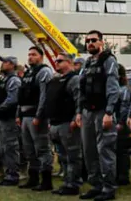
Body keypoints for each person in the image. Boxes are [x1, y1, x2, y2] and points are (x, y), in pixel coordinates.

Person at [76, 30, 120, 201]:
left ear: (102, 42)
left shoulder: (108, 60)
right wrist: (79, 111)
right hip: (87, 112)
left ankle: (109, 188)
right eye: (87, 41)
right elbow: (81, 89)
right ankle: (97, 185)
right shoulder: (87, 63)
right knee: (89, 151)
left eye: (93, 40)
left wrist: (109, 112)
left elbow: (112, 87)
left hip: (102, 111)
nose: (90, 43)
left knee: (105, 150)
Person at [19, 46, 54, 191]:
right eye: (29, 54)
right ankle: (33, 178)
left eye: (33, 54)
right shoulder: (29, 72)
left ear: (41, 56)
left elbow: (44, 96)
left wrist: (39, 115)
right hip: (25, 116)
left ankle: (46, 181)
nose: (30, 57)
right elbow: (22, 95)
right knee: (28, 149)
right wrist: (18, 114)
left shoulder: (44, 71)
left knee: (42, 148)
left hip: (36, 116)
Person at [48, 54, 83, 195]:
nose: (56, 63)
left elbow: (79, 99)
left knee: (73, 156)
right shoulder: (57, 80)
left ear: (69, 62)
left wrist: (76, 118)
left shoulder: (74, 79)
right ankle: (67, 182)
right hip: (56, 123)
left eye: (60, 61)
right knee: (62, 157)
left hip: (68, 123)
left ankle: (73, 184)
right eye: (56, 61)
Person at [0, 56, 22, 187]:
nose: (3, 64)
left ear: (12, 65)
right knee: (3, 148)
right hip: (1, 118)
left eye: (6, 62)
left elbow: (12, 99)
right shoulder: (3, 79)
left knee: (10, 147)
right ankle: (8, 173)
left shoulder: (14, 80)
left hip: (9, 118)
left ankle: (13, 175)